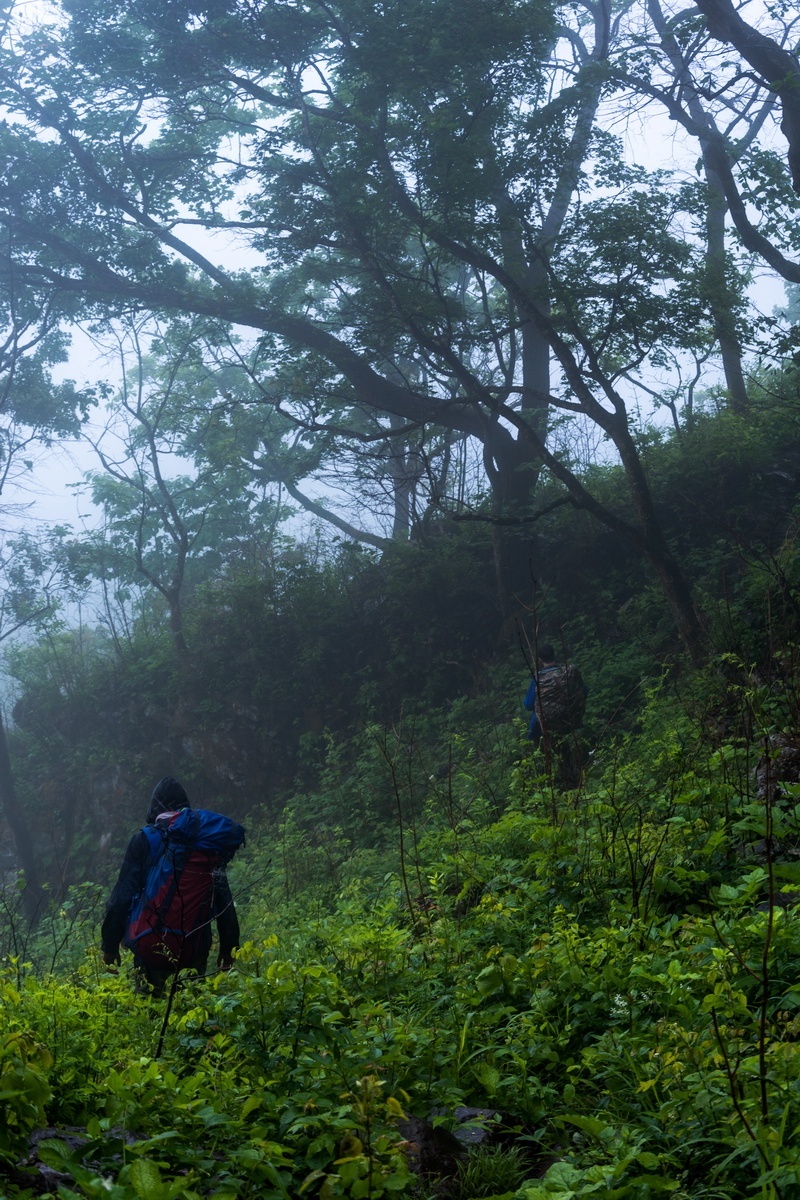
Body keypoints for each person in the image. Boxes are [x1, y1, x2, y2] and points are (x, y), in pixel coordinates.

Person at [101, 776, 240, 995]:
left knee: (150, 1013)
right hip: (195, 944)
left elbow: (122, 895)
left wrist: (109, 946)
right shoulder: (205, 843)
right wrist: (229, 947)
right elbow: (223, 898)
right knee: (191, 1012)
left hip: (149, 943)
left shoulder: (145, 839)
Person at [523, 643, 587, 788]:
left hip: (546, 724)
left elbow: (528, 704)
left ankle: (548, 780)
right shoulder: (567, 673)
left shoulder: (539, 678)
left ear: (539, 659)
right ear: (554, 654)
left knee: (541, 743)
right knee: (563, 747)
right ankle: (572, 774)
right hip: (569, 718)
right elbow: (584, 692)